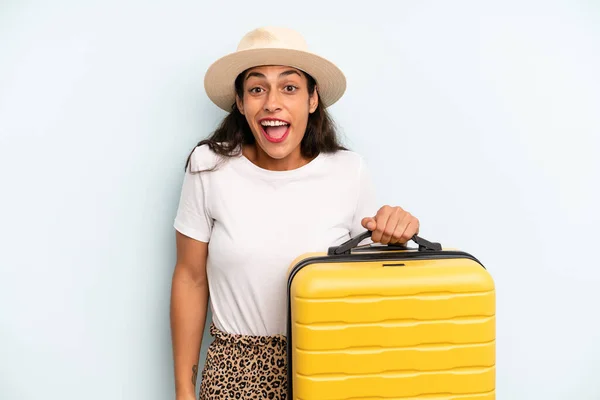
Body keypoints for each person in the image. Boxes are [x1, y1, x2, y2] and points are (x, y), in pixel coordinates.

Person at [169, 26, 421, 400]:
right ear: (240, 102)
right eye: (257, 88)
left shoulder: (348, 170)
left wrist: (399, 236)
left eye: (289, 87)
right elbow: (190, 278)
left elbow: (372, 286)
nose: (272, 102)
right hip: (234, 374)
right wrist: (183, 392)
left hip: (329, 367)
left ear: (312, 99)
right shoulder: (209, 166)